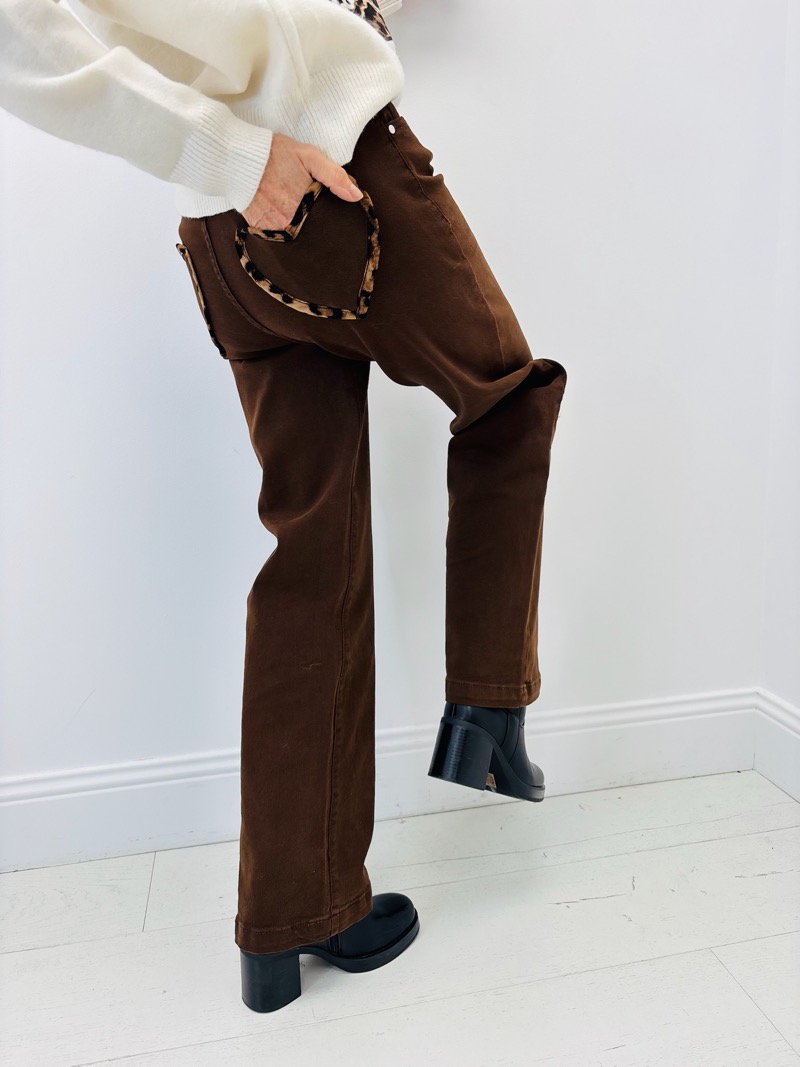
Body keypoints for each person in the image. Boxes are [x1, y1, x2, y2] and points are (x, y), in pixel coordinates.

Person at [0, 0, 568, 1013]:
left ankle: (289, 915)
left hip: (219, 232)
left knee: (311, 543)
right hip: (335, 171)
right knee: (506, 398)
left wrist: (222, 156)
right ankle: (487, 709)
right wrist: (248, 149)